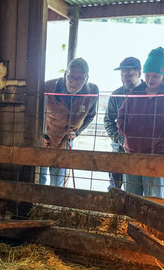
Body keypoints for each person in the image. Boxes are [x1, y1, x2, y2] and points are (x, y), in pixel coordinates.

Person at [116, 47, 164, 198]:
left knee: (154, 197)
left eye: (155, 76)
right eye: (148, 75)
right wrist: (127, 132)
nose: (150, 80)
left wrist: (161, 135)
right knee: (131, 196)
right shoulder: (136, 92)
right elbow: (121, 116)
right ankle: (132, 221)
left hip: (158, 153)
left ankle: (150, 222)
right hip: (132, 152)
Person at [40, 57, 99, 186]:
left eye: (79, 79)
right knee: (40, 178)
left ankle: (54, 205)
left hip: (65, 141)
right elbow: (34, 112)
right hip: (45, 140)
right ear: (65, 74)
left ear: (87, 78)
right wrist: (38, 134)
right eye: (71, 77)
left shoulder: (92, 92)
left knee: (58, 182)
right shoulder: (48, 87)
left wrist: (77, 132)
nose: (74, 82)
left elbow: (90, 116)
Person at [103, 56, 145, 190]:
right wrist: (121, 140)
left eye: (129, 75)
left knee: (144, 185)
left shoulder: (148, 92)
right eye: (122, 75)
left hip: (144, 148)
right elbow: (108, 121)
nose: (125, 78)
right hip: (119, 147)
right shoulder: (116, 95)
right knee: (115, 185)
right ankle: (114, 209)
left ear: (139, 73)